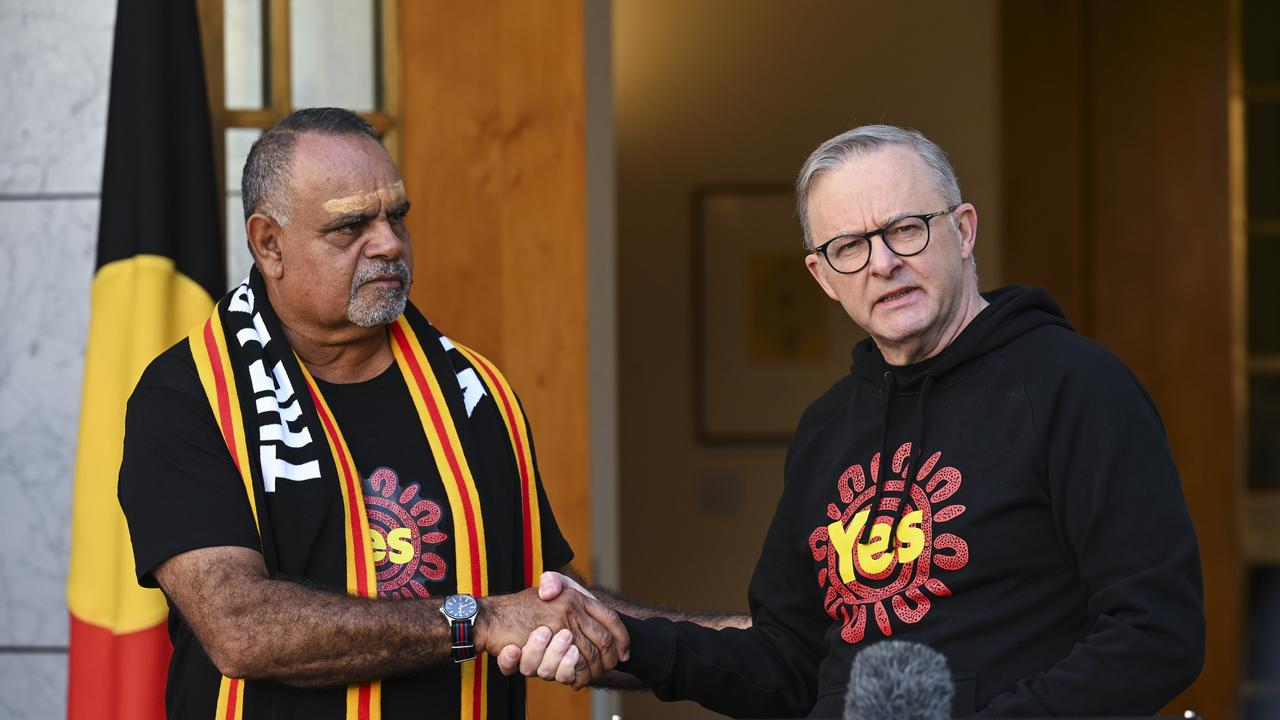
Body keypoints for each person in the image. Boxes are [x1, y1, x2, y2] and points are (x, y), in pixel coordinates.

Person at [499, 125, 1206, 717]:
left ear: (961, 231)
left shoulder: (1077, 387)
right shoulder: (828, 429)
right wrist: (625, 641)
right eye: (851, 247)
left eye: (905, 228)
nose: (884, 264)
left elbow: (1156, 633)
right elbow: (788, 659)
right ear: (822, 276)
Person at [117, 107, 630, 718]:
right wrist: (480, 620)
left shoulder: (474, 391)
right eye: (349, 226)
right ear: (269, 243)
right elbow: (241, 629)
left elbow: (557, 610)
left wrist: (743, 645)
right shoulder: (188, 397)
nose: (388, 243)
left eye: (396, 217)